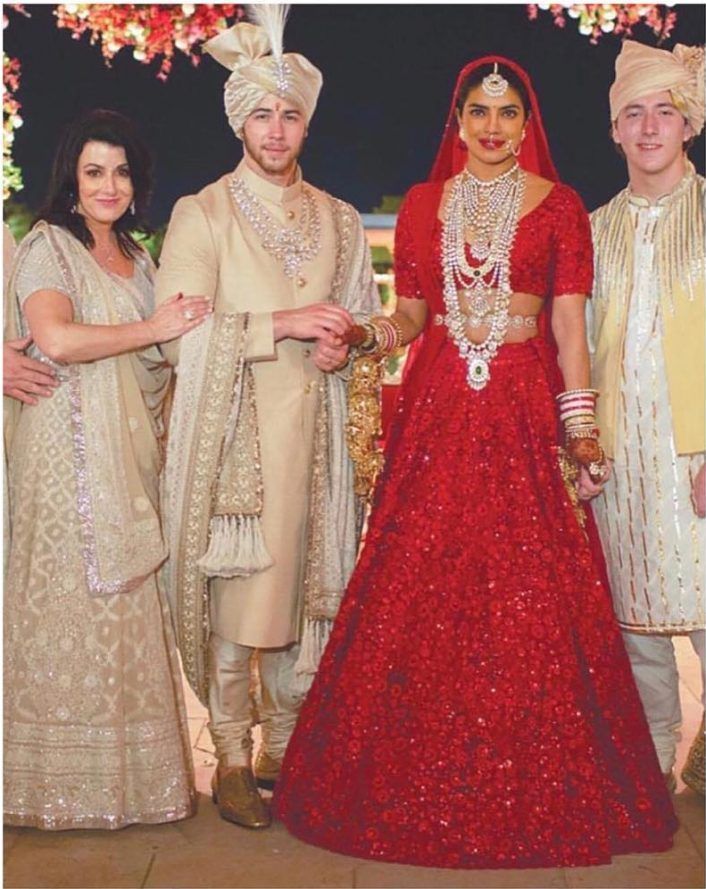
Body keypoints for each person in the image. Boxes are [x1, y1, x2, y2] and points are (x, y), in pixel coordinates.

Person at [274, 56, 677, 868]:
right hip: (445, 408)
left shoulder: (560, 206)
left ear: (528, 125)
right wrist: (366, 335)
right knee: (425, 577)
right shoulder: (425, 205)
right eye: (478, 112)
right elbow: (415, 312)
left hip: (526, 409)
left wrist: (581, 427)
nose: (492, 127)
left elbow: (568, 328)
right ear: (457, 122)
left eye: (507, 113)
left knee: (534, 586)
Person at [157, 7, 380, 830]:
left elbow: (360, 318)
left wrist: (344, 342)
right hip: (235, 437)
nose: (276, 129)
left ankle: (290, 746)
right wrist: (284, 325)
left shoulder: (342, 217)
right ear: (238, 120)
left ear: (306, 122)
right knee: (241, 605)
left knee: (309, 593)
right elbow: (179, 335)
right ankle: (231, 756)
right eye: (261, 112)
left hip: (315, 431)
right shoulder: (203, 211)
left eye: (289, 113)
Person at [3, 109, 210, 829]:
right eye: (94, 170)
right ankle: (50, 786)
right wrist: (155, 328)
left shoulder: (139, 254)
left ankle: (129, 783)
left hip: (129, 457)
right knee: (69, 600)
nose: (109, 184)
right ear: (71, 176)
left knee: (124, 602)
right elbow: (55, 337)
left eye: (121, 171)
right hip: (64, 452)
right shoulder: (48, 246)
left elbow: (167, 353)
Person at [588, 41, 705, 794]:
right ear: (616, 132)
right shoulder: (595, 228)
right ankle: (654, 759)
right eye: (635, 113)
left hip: (696, 454)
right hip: (624, 456)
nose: (651, 126)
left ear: (688, 124)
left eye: (665, 111)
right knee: (634, 623)